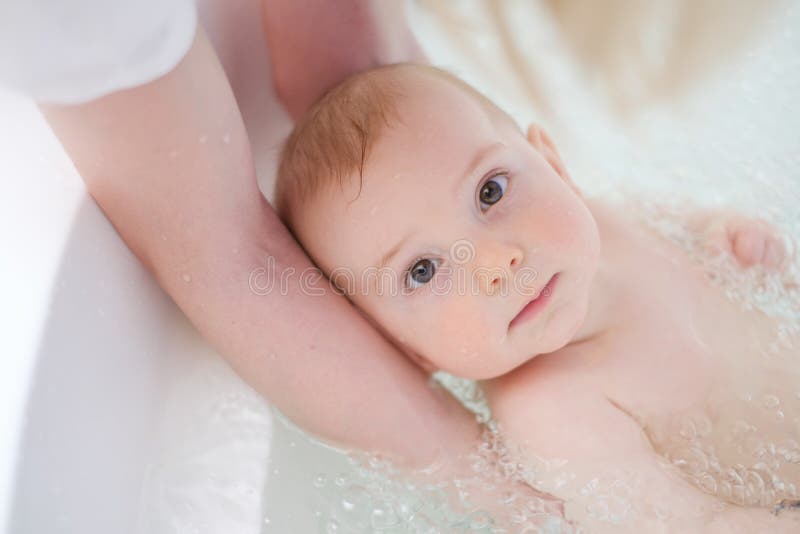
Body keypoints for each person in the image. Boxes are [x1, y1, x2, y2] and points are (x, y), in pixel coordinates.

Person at [273, 62, 800, 532]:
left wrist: (724, 233)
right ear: (408, 349)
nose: (494, 265)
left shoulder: (604, 224)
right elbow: (693, 524)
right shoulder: (550, 413)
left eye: (491, 192)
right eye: (423, 270)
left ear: (554, 166)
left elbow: (686, 227)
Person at [0, 0, 480, 468]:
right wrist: (494, 483)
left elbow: (342, 66)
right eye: (421, 270)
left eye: (491, 191)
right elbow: (228, 258)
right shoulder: (89, 20)